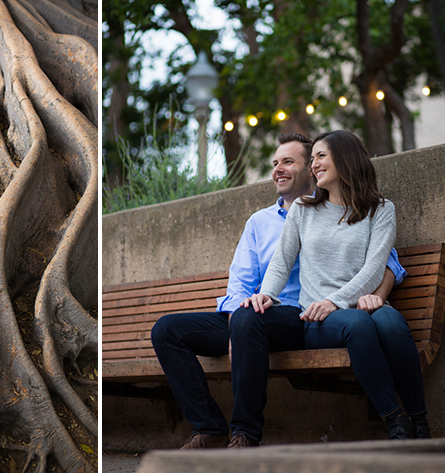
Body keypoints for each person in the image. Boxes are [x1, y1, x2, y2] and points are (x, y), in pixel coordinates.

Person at [150, 133, 406, 449]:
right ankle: (208, 428)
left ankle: (244, 435)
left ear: (311, 169)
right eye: (275, 163)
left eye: (288, 161)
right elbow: (240, 281)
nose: (278, 170)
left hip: (302, 316)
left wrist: (375, 297)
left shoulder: (334, 209)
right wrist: (237, 320)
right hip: (254, 314)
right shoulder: (259, 222)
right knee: (167, 330)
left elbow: (386, 264)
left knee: (249, 321)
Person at [250, 130, 429, 439]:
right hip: (318, 318)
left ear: (346, 159)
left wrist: (337, 300)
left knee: (391, 321)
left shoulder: (381, 209)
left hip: (358, 305)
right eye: (313, 158)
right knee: (358, 323)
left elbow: (376, 267)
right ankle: (395, 422)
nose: (314, 164)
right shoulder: (303, 211)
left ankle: (420, 421)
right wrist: (266, 294)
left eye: (321, 156)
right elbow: (281, 262)